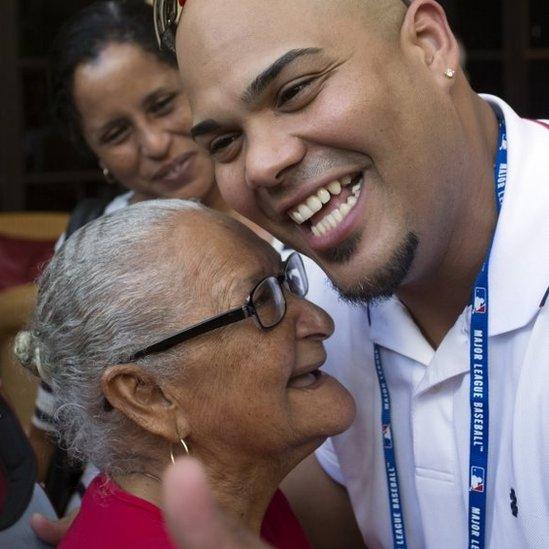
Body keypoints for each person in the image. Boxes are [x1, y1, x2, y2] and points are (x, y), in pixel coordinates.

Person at [153, 0, 549, 547]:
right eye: (225, 142)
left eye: (295, 91)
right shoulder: (297, 309)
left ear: (430, 45)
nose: (262, 163)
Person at [29, 0, 275, 525]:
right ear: (95, 153)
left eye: (164, 103)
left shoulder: (292, 211)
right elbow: (53, 429)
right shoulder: (87, 253)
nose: (156, 144)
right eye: (117, 135)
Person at [15, 200, 357, 548]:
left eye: (286, 284)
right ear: (149, 395)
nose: (320, 322)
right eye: (260, 303)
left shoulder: (241, 500)